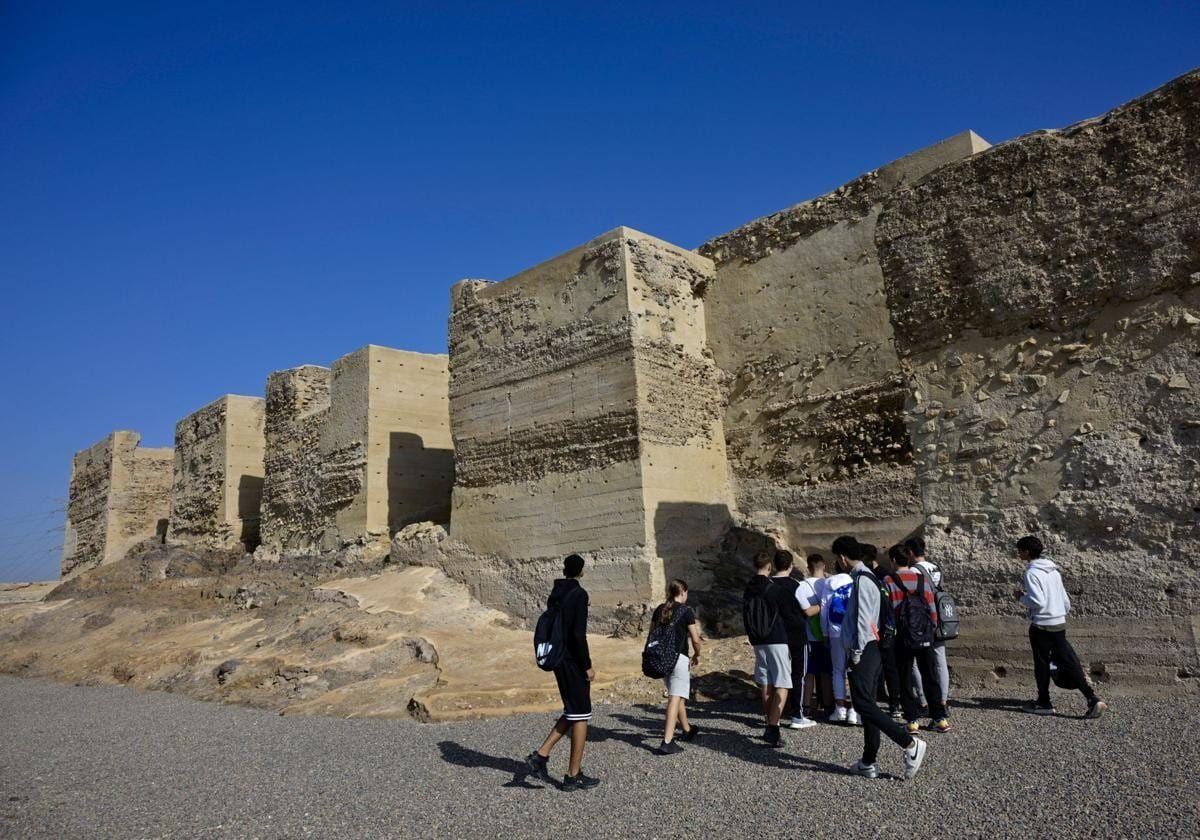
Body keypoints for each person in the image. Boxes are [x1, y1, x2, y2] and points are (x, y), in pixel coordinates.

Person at [841, 539, 929, 780]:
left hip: (866, 647)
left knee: (862, 704)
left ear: (842, 557)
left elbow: (863, 619)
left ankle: (909, 743)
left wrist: (856, 653)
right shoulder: (870, 577)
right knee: (867, 703)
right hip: (873, 646)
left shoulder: (861, 579)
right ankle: (868, 760)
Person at [525, 554, 601, 790]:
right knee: (581, 714)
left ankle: (541, 756)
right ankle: (572, 774)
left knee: (573, 709)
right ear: (582, 572)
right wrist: (587, 665)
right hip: (572, 661)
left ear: (564, 569)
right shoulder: (579, 594)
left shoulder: (556, 592)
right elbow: (578, 634)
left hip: (558, 658)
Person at [1014, 536, 1108, 718]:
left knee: (1041, 664)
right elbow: (1066, 602)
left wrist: (1020, 597)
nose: (1018, 554)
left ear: (1026, 552)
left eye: (1020, 550)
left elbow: (1037, 601)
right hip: (1059, 624)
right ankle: (1092, 698)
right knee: (1070, 662)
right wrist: (1057, 613)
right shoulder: (1053, 571)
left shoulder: (1031, 573)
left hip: (1042, 626)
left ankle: (1044, 702)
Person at [887, 548, 951, 734]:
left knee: (905, 677)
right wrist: (929, 631)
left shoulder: (889, 581)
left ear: (893, 560)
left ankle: (912, 720)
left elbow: (888, 611)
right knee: (930, 675)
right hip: (924, 635)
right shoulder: (921, 580)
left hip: (902, 636)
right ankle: (940, 719)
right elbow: (932, 609)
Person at [744, 550, 792, 747]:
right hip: (776, 638)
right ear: (769, 567)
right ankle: (773, 727)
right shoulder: (773, 588)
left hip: (757, 639)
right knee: (782, 683)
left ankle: (768, 720)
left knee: (765, 682)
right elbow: (788, 613)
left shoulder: (748, 588)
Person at [652, 579, 703, 754]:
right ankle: (667, 741)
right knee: (675, 697)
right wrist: (697, 654)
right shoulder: (686, 611)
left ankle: (687, 730)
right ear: (683, 592)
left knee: (677, 693)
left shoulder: (660, 609)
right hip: (678, 658)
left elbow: (651, 635)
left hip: (661, 658)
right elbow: (695, 639)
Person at [772, 550, 817, 730]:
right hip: (796, 635)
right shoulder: (795, 585)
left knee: (777, 675)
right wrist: (821, 606)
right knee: (798, 674)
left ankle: (773, 713)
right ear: (790, 565)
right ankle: (797, 714)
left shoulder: (769, 584)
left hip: (775, 635)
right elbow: (807, 611)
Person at [905, 537, 950, 710]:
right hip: (939, 617)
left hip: (923, 619)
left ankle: (923, 700)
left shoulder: (914, 571)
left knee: (916, 661)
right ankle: (943, 700)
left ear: (910, 552)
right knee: (940, 660)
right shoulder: (936, 567)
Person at [822, 537, 860, 725]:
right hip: (852, 631)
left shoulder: (828, 584)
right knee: (853, 670)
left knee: (838, 670)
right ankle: (854, 712)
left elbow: (824, 611)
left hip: (835, 631)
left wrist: (825, 634)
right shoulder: (855, 580)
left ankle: (840, 709)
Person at [799, 553, 834, 720]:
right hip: (829, 635)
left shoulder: (802, 586)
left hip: (809, 635)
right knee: (827, 672)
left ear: (808, 567)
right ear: (824, 566)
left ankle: (806, 706)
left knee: (809, 673)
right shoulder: (829, 584)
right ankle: (828, 705)